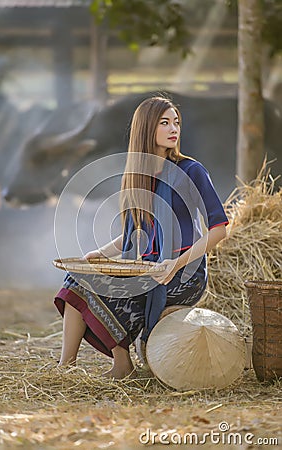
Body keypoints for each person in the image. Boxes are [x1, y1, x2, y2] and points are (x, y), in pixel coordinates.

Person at [54, 96, 228, 379]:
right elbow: (133, 237)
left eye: (176, 122)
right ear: (146, 129)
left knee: (117, 289)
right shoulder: (137, 176)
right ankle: (68, 368)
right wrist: (98, 254)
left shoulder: (192, 171)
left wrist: (175, 264)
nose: (174, 129)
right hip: (148, 269)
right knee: (76, 278)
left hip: (184, 274)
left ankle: (122, 364)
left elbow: (219, 229)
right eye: (165, 122)